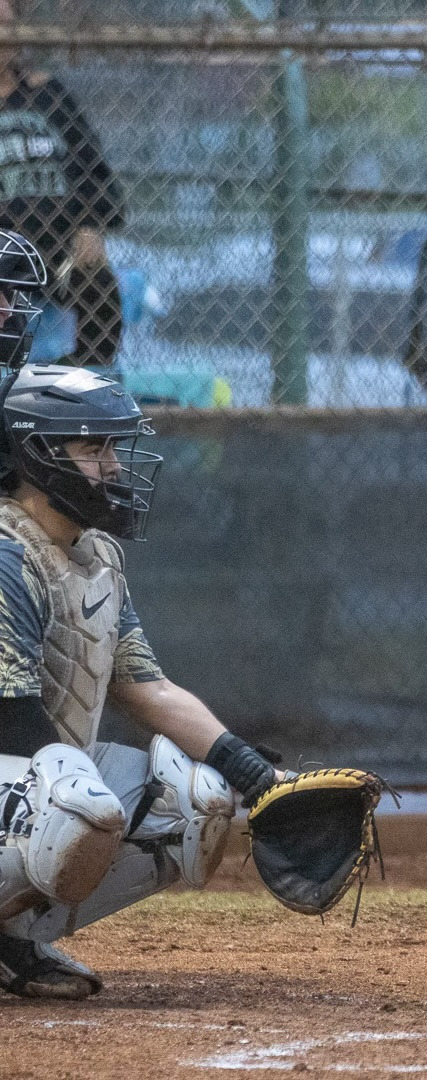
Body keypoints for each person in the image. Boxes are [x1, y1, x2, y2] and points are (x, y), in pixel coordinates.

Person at [0, 229, 280, 999]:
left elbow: (145, 688)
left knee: (195, 803)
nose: (114, 469)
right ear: (40, 456)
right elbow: (7, 711)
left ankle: (12, 942)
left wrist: (260, 777)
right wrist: (60, 784)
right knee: (74, 798)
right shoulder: (8, 549)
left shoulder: (91, 554)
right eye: (94, 450)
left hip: (14, 773)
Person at [0, 0, 125, 368]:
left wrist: (91, 224)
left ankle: (70, 388)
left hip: (59, 247)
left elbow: (90, 165)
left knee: (99, 288)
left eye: (8, 24)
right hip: (3, 248)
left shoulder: (47, 94)